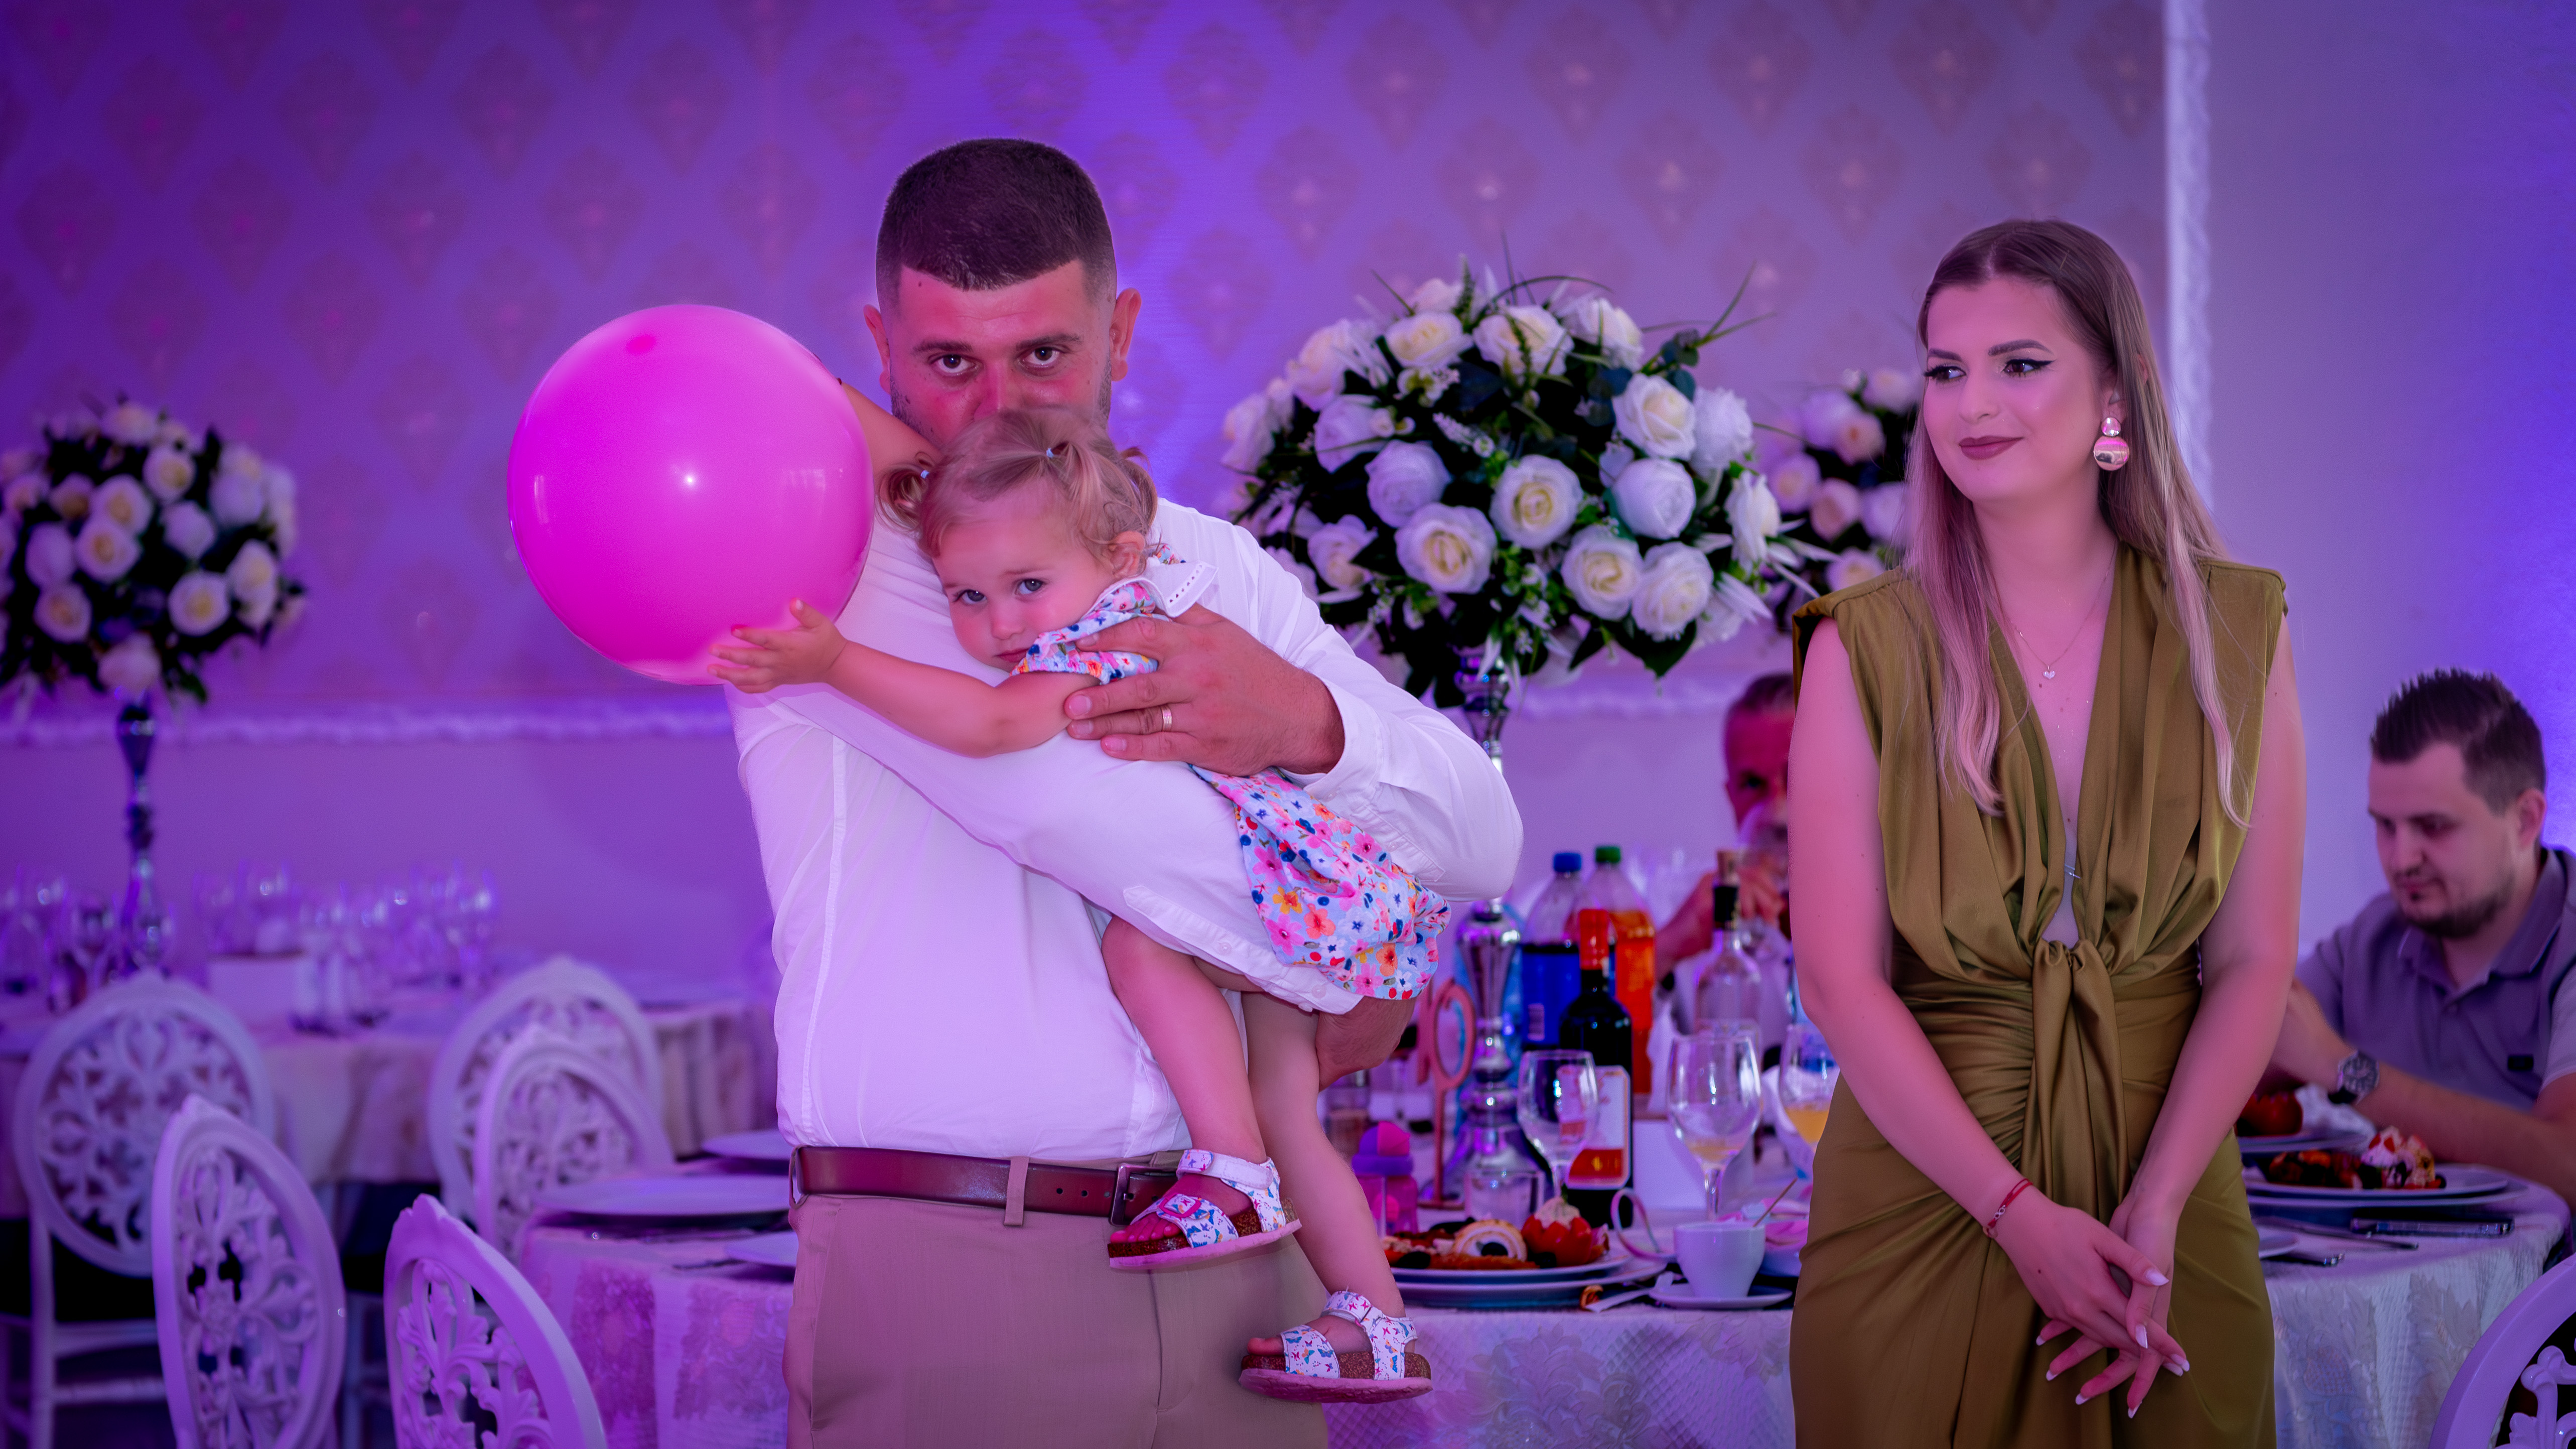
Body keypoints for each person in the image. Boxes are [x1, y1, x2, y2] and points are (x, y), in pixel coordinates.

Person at [726, 140, 1518, 1448]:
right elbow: (1080, 813)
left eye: (1043, 353)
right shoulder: (818, 568)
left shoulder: (1217, 569)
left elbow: (1482, 838)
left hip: (1245, 1275)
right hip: (956, 1267)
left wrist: (1303, 720)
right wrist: (1350, 957)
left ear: (1122, 331)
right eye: (947, 361)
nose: (994, 410)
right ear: (879, 350)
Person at [714, 406, 1435, 1401]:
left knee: (1140, 952)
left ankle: (1231, 1171)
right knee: (1288, 1112)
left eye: (1026, 585)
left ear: (1118, 558)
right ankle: (1377, 1321)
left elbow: (989, 725)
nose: (1001, 623)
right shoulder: (1134, 613)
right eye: (966, 595)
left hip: (1283, 892)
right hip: (1315, 891)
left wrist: (832, 661)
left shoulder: (1102, 639)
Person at [1788, 219, 2304, 1444]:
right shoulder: (1863, 645)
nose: (1971, 404)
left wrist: (2159, 1206)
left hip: (2166, 1196)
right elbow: (1839, 981)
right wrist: (2012, 1211)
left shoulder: (2237, 631)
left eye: (2019, 364)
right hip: (1923, 1201)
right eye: (1945, 368)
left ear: (2114, 393)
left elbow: (2250, 961)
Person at [2268, 670, 2576, 1202]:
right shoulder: (2372, 937)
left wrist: (2344, 1069)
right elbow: (2245, 1055)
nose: (2400, 859)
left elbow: (2567, 1165)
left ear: (2525, 820)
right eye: (2385, 826)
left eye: (2433, 826)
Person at [1654, 672, 1795, 975]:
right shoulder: (1687, 906)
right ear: (1731, 798)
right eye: (1753, 783)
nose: (1775, 809)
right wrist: (1668, 947)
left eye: (1795, 777)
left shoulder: (1884, 905)